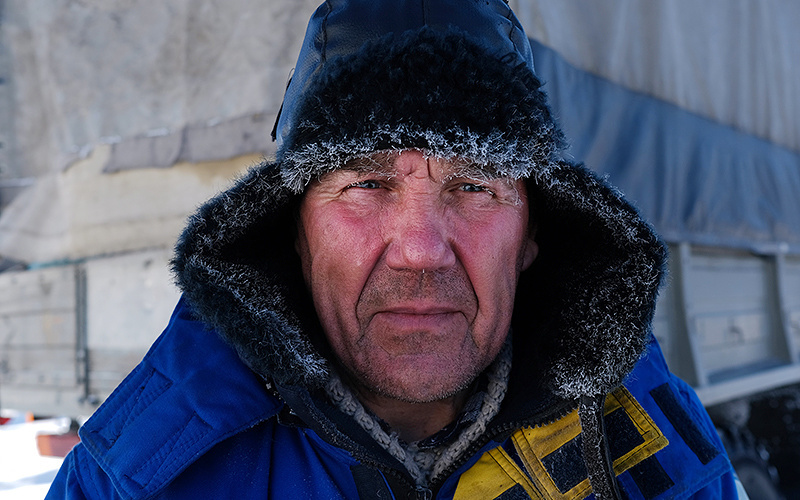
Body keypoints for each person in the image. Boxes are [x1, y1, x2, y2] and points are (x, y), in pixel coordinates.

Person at [47, 0, 743, 498]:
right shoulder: (143, 475)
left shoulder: (651, 442)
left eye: (473, 186)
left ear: (533, 232)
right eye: (368, 183)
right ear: (294, 229)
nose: (419, 251)